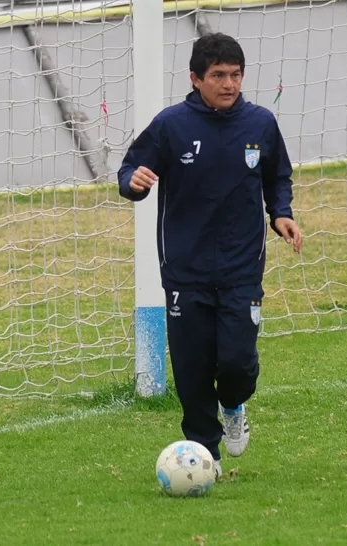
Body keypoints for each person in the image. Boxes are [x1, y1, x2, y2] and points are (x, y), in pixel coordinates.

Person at [117, 32, 303, 479]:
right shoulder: (171, 125)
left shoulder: (260, 124)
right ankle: (205, 454)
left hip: (241, 269)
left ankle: (234, 403)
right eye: (218, 75)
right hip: (185, 269)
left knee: (237, 364)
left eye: (236, 75)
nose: (229, 84)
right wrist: (134, 182)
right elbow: (130, 169)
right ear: (196, 79)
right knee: (193, 369)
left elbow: (278, 177)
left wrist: (282, 214)